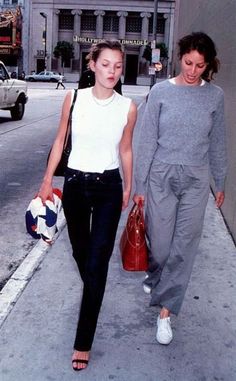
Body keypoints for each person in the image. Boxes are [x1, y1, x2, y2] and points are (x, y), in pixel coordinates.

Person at [38, 40, 137, 370]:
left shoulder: (128, 107)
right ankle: (95, 290)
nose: (112, 71)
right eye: (106, 64)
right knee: (83, 256)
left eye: (118, 65)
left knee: (97, 263)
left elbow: (125, 149)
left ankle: (83, 342)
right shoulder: (74, 98)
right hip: (76, 186)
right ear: (92, 64)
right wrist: (46, 180)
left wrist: (129, 184)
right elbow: (59, 140)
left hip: (109, 187)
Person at [133, 32, 227, 345]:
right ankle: (156, 273)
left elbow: (217, 142)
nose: (192, 70)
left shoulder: (215, 96)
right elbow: (146, 140)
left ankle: (165, 314)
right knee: (160, 247)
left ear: (207, 65)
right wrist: (139, 184)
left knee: (184, 247)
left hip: (197, 179)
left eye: (200, 65)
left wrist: (221, 180)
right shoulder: (160, 92)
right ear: (180, 58)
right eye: (188, 62)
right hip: (161, 174)